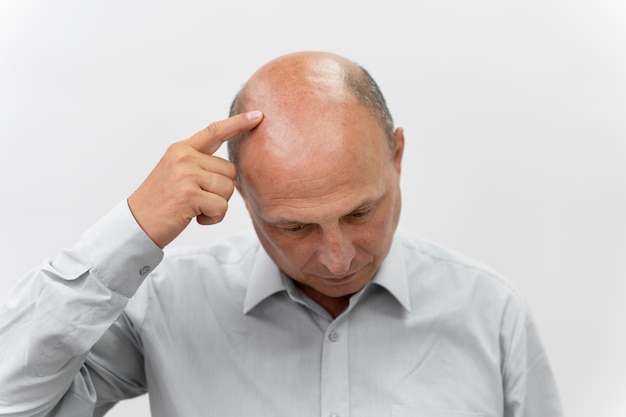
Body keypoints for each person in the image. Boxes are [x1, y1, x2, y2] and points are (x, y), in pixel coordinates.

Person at [0, 51, 564, 417]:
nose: (338, 258)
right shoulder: (169, 307)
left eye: (361, 213)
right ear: (241, 194)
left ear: (397, 156)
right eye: (294, 226)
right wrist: (132, 231)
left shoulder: (492, 314)